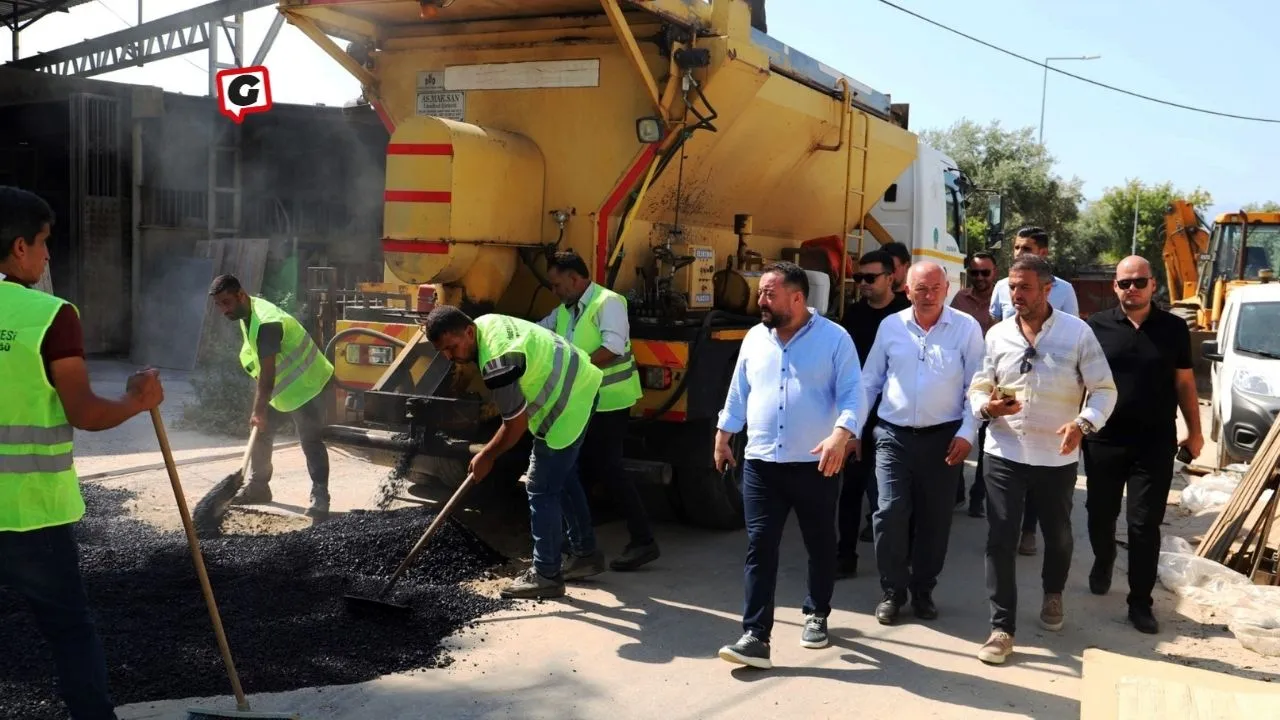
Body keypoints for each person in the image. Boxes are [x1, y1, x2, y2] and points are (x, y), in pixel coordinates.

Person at [0, 185, 165, 720]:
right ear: (20, 247)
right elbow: (86, 414)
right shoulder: (49, 315)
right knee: (69, 631)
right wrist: (138, 401)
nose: (49, 256)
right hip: (32, 516)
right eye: (45, 243)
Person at [968, 254, 1116, 665]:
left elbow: (1104, 390)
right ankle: (1001, 627)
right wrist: (988, 408)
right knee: (1000, 537)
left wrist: (1083, 424)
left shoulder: (1077, 333)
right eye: (1012, 287)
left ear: (1048, 289)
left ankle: (1053, 593)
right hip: (1005, 450)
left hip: (1056, 455)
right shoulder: (997, 335)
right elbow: (979, 386)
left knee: (1058, 534)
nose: (1017, 295)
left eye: (1025, 287)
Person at [714, 262, 861, 670]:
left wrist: (841, 434)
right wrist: (725, 434)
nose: (760, 300)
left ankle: (817, 613)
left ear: (797, 298)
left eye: (769, 294)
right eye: (760, 293)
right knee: (760, 545)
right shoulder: (754, 339)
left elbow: (854, 394)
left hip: (815, 462)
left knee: (819, 543)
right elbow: (738, 390)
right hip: (762, 460)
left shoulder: (835, 339)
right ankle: (755, 635)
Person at [425, 306, 604, 599]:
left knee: (540, 485)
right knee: (564, 474)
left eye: (452, 347)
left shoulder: (497, 361)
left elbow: (515, 425)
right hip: (581, 383)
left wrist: (487, 456)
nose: (449, 356)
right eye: (442, 351)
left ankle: (546, 574)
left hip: (568, 403)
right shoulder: (485, 323)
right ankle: (585, 554)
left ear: (468, 332)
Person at [858, 261, 985, 624]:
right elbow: (870, 382)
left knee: (935, 520)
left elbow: (976, 387)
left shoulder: (966, 328)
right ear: (906, 290)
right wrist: (849, 430)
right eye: (920, 289)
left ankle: (923, 589)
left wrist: (966, 433)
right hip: (893, 436)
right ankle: (892, 590)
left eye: (934, 289)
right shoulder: (890, 326)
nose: (927, 296)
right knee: (889, 513)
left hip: (944, 440)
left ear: (946, 290)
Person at [1084, 256, 1203, 634]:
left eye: (1139, 282)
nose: (1131, 289)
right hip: (1103, 439)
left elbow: (1184, 383)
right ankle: (1103, 559)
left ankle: (1140, 603)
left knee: (1143, 524)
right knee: (1099, 515)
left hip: (1154, 443)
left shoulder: (1172, 329)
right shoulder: (1095, 327)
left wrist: (1195, 431)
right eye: (1124, 283)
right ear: (1114, 287)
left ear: (1153, 285)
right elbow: (1078, 382)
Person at [539, 251, 659, 571]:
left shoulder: (609, 303)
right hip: (583, 402)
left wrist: (575, 370)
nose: (555, 291)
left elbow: (612, 347)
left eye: (558, 284)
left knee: (607, 468)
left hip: (610, 401)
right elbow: (539, 332)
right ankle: (578, 542)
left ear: (576, 279)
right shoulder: (565, 310)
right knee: (581, 469)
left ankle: (643, 541)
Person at [208, 274, 335, 519]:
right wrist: (260, 412)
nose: (223, 310)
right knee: (261, 433)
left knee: (310, 439)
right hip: (283, 389)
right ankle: (259, 487)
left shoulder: (266, 323)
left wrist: (258, 410)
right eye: (219, 305)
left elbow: (268, 374)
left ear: (241, 295)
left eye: (226, 303)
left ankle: (320, 497)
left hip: (307, 383)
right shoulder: (249, 313)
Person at [987, 226, 1080, 555]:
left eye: (1025, 247)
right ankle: (1006, 530)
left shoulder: (1064, 290)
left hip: (1048, 379)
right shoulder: (1000, 287)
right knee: (1010, 454)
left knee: (1039, 462)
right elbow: (997, 327)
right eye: (1014, 247)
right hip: (1011, 376)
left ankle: (1029, 529)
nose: (1018, 252)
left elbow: (1069, 333)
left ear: (1043, 253)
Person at [836, 249, 911, 576]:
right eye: (858, 278)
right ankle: (844, 556)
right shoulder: (853, 315)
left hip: (896, 416)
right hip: (859, 415)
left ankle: (900, 564)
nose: (863, 284)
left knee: (894, 498)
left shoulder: (906, 315)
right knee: (850, 488)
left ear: (890, 278)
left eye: (870, 278)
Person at [950, 251, 999, 518]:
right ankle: (955, 491)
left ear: (995, 272)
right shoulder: (959, 300)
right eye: (975, 272)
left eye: (985, 272)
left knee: (986, 441)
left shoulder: (1003, 300)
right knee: (958, 434)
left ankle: (978, 496)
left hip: (994, 380)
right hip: (962, 379)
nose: (979, 278)